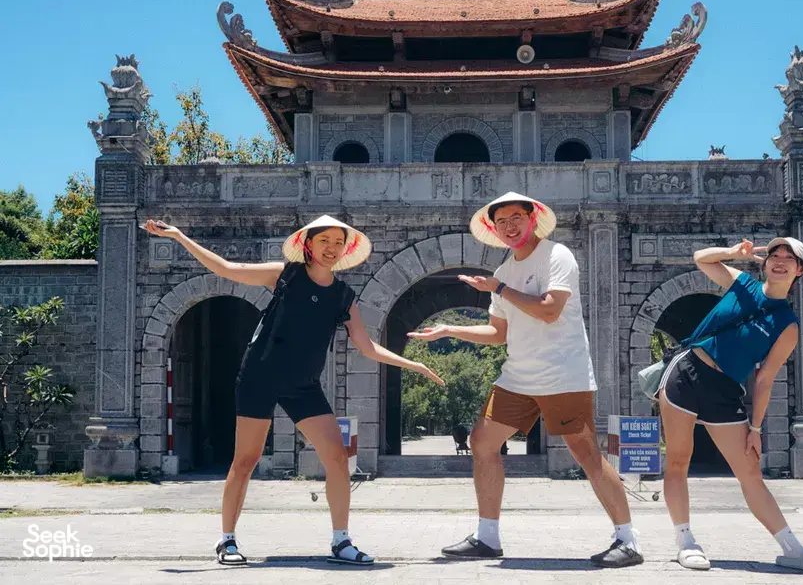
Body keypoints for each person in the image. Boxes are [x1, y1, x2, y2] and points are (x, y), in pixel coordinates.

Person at [142, 215, 444, 566]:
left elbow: (367, 346)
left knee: (337, 458)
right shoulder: (285, 275)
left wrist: (414, 364)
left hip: (304, 386)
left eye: (338, 242)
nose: (331, 248)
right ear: (308, 244)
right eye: (324, 241)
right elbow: (226, 269)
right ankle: (227, 541)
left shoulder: (343, 297)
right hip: (259, 377)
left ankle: (341, 542)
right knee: (246, 460)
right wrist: (179, 236)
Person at [409, 192, 643, 568]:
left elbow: (549, 311)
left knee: (586, 454)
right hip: (518, 376)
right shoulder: (504, 272)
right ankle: (487, 537)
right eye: (501, 221)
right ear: (494, 229)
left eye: (516, 217)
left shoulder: (557, 256)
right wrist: (450, 329)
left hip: (563, 374)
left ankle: (627, 540)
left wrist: (498, 289)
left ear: (532, 219)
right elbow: (498, 333)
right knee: (482, 441)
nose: (509, 226)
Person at [656, 236, 803, 574]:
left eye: (789, 258)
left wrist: (755, 428)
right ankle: (686, 542)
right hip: (686, 373)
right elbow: (701, 258)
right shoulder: (744, 284)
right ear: (765, 262)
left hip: (724, 390)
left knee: (750, 472)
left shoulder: (787, 325)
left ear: (800, 270)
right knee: (678, 459)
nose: (779, 261)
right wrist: (733, 253)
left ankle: (793, 549)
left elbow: (764, 380)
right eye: (774, 255)